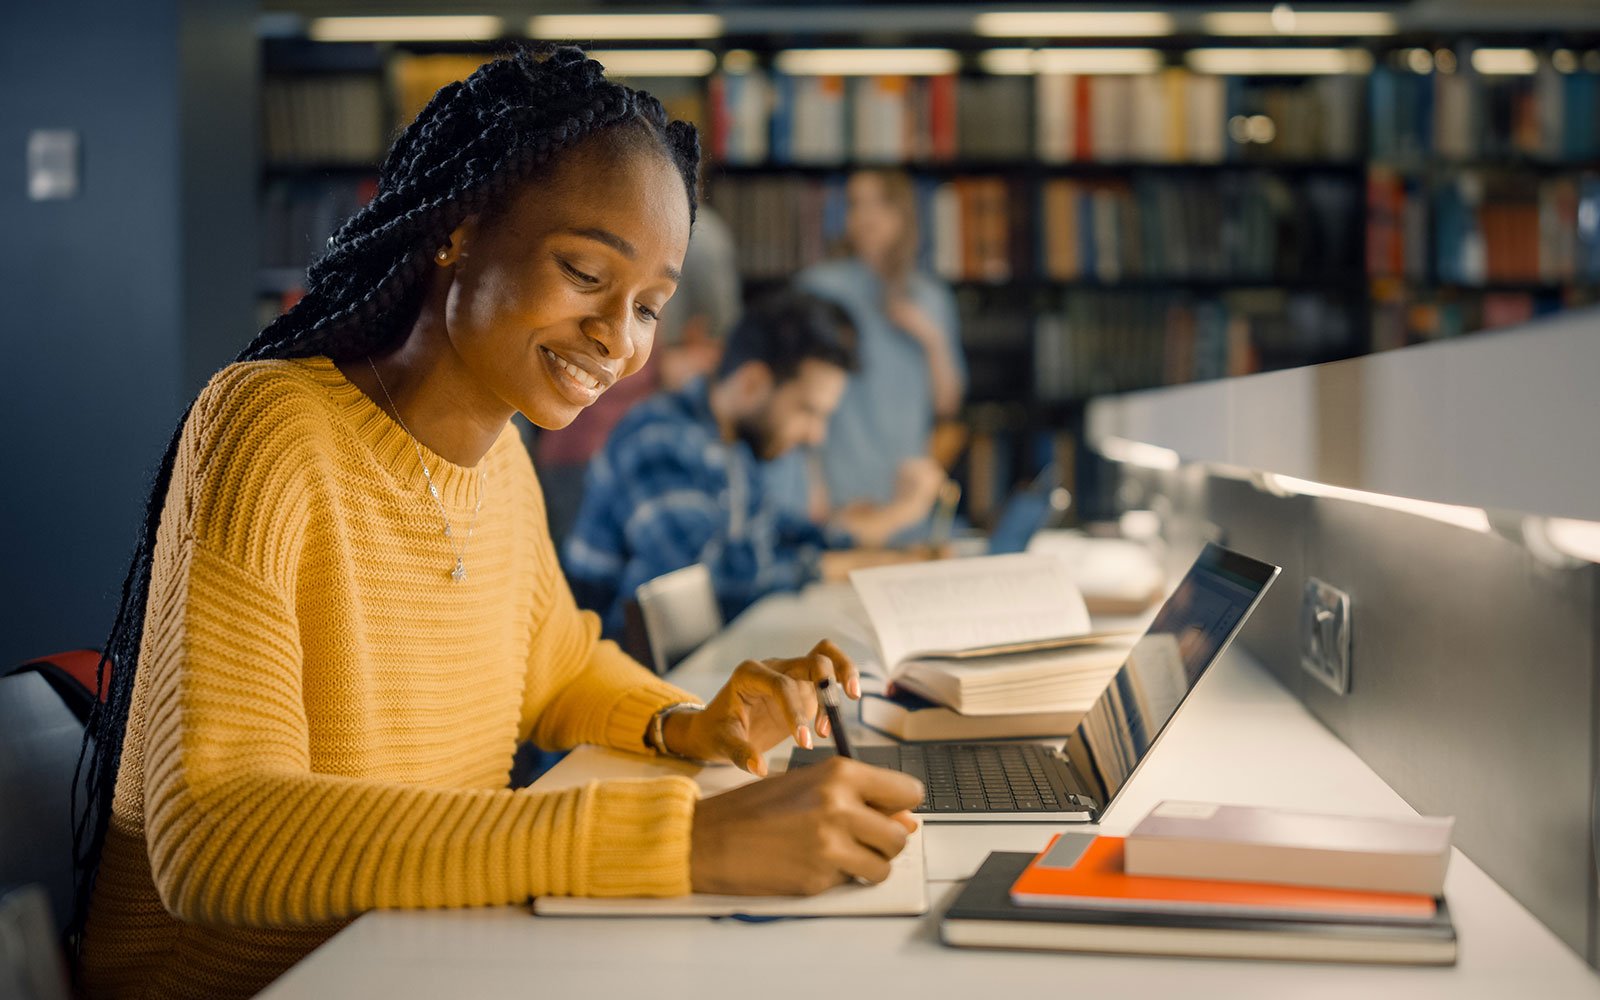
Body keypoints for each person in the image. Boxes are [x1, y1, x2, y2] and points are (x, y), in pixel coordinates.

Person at [72, 48, 922, 1000]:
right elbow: (217, 840)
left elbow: (555, 667)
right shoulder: (268, 430)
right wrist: (678, 841)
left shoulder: (501, 459)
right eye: (585, 271)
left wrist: (688, 722)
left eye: (648, 307)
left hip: (419, 953)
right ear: (457, 231)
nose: (618, 338)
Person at [563, 289, 936, 638]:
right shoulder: (659, 441)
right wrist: (843, 565)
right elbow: (702, 582)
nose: (815, 436)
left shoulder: (732, 445)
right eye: (808, 411)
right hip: (622, 678)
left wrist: (866, 543)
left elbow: (770, 534)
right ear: (753, 382)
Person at [796, 169, 967, 536]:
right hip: (841, 487)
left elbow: (948, 404)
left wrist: (931, 340)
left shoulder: (929, 297)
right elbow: (795, 396)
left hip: (906, 488)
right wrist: (810, 483)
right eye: (857, 204)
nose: (867, 216)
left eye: (880, 203)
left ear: (903, 214)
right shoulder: (820, 288)